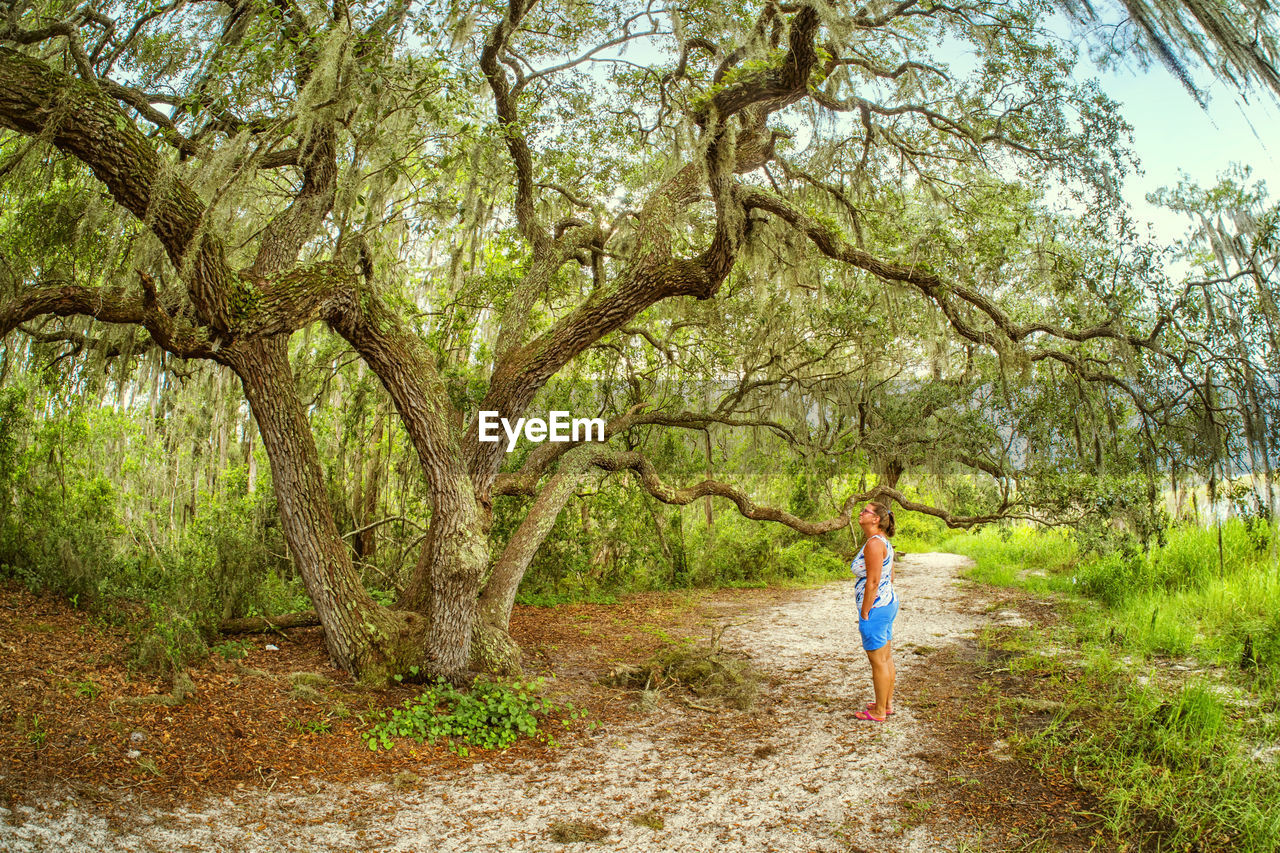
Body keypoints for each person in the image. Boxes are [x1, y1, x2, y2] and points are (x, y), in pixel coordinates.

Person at [851, 501, 897, 722]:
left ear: (876, 519)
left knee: (878, 660)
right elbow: (891, 575)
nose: (860, 513)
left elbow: (874, 581)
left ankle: (879, 712)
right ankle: (885, 704)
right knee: (885, 657)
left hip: (877, 607)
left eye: (865, 512)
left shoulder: (874, 544)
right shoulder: (881, 542)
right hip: (887, 603)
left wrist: (866, 612)